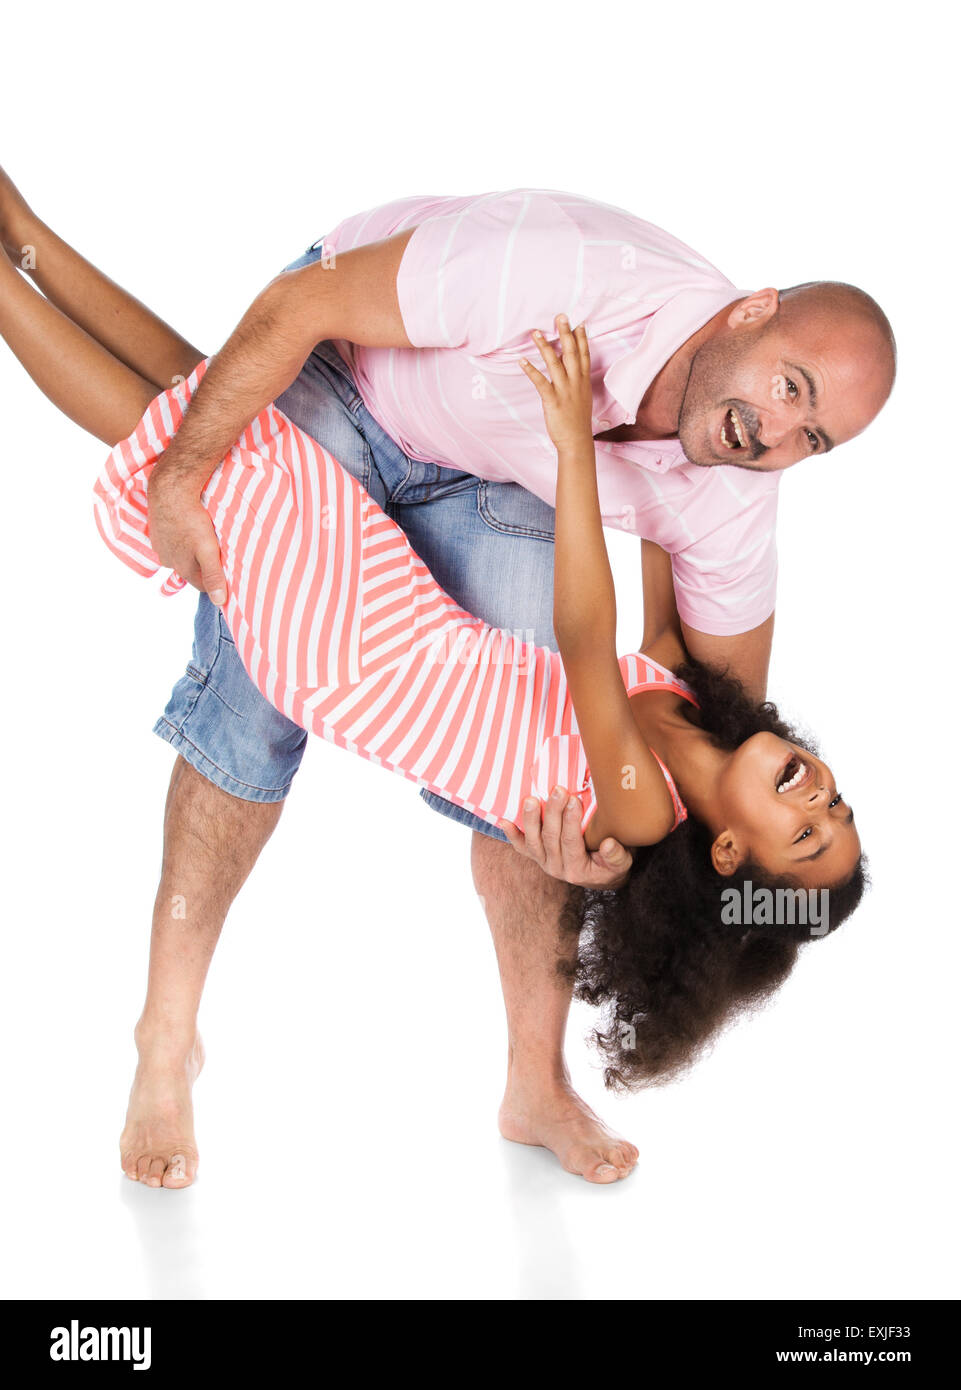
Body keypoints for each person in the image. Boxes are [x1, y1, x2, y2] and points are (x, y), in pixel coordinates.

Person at [0, 173, 895, 1186]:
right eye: (791, 389)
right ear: (751, 313)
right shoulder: (693, 713)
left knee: (165, 431)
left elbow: (587, 635)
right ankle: (21, 231)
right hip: (392, 552)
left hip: (358, 651)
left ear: (726, 848)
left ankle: (3, 276)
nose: (824, 794)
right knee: (197, 404)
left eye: (809, 835)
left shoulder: (644, 813)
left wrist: (569, 442)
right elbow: (646, 577)